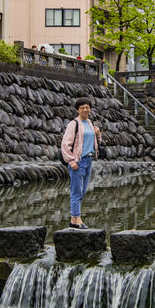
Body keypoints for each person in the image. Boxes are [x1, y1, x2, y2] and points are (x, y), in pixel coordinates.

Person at [61, 97, 102, 229]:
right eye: (82, 108)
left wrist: (98, 133)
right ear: (78, 110)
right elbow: (65, 144)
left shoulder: (90, 123)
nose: (85, 109)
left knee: (82, 191)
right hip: (78, 161)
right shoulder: (74, 124)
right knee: (76, 191)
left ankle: (74, 219)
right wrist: (71, 160)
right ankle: (77, 219)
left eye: (87, 107)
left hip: (89, 159)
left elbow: (97, 142)